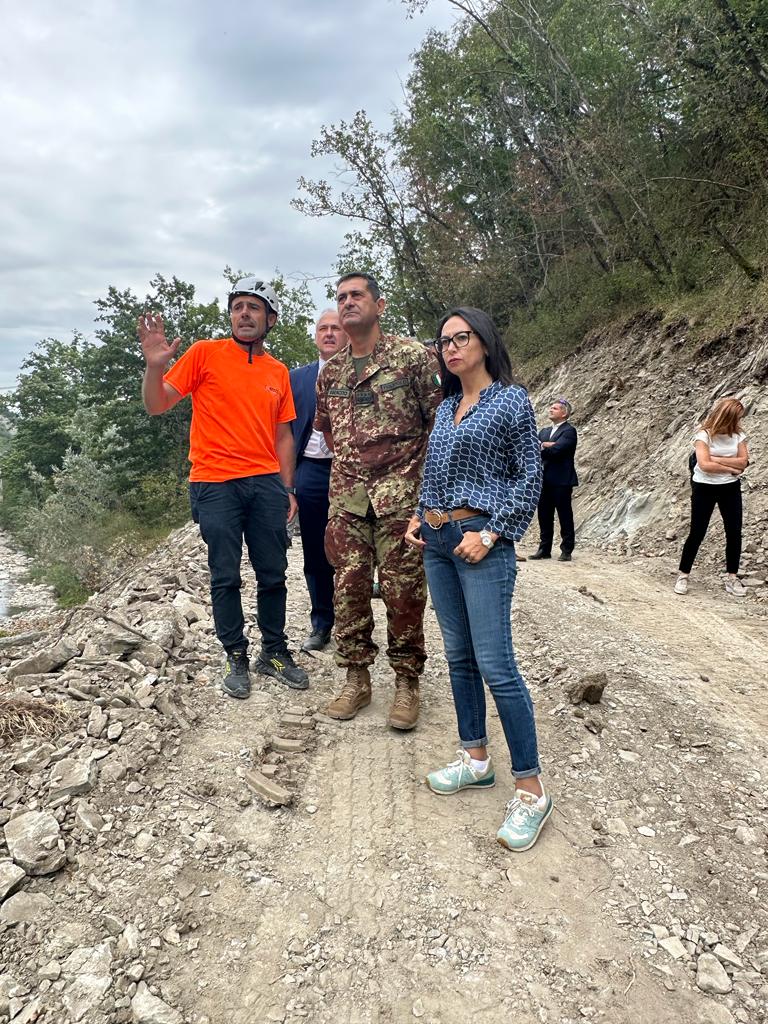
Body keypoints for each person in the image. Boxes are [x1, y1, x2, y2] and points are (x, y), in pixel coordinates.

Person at [404, 307, 552, 853]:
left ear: (484, 342)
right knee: (460, 657)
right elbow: (435, 473)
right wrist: (419, 515)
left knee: (497, 665)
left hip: (480, 542)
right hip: (438, 542)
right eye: (443, 341)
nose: (450, 347)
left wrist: (490, 533)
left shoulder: (511, 401)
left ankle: (532, 791)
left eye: (460, 337)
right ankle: (475, 759)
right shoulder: (447, 407)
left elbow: (528, 478)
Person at [137, 277, 309, 699]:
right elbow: (157, 404)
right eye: (237, 307)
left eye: (254, 307)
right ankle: (235, 655)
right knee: (225, 575)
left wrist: (287, 488)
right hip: (214, 482)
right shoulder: (204, 353)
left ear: (271, 319)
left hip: (266, 483)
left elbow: (283, 435)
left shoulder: (277, 371)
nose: (244, 313)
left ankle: (274, 652)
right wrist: (155, 366)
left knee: (273, 573)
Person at [315, 272, 442, 730]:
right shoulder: (331, 372)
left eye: (357, 295)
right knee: (348, 589)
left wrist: (429, 493)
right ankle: (356, 678)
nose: (348, 302)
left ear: (379, 305)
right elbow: (329, 432)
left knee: (403, 591)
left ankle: (407, 681)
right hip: (348, 500)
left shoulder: (412, 358)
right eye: (341, 297)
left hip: (402, 498)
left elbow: (439, 424)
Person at [290, 310, 349, 652]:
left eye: (335, 328)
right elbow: (283, 431)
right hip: (311, 470)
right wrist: (287, 484)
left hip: (351, 470)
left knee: (355, 547)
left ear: (347, 334)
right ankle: (322, 622)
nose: (329, 333)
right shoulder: (297, 378)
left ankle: (354, 621)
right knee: (315, 549)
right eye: (322, 328)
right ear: (315, 336)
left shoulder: (363, 372)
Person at [675, 397, 749, 597]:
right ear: (726, 417)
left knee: (734, 532)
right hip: (704, 487)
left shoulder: (738, 435)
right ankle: (683, 575)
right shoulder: (704, 435)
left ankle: (732, 578)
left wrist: (716, 459)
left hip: (730, 488)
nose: (739, 421)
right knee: (697, 532)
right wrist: (731, 466)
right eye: (736, 417)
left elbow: (744, 462)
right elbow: (704, 465)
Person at [529, 398, 578, 561]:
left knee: (564, 515)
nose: (551, 410)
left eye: (555, 408)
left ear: (564, 413)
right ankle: (544, 549)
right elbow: (532, 449)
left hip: (561, 480)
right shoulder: (544, 431)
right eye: (551, 407)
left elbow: (558, 450)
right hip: (544, 480)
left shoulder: (569, 431)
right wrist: (547, 444)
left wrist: (542, 446)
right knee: (544, 515)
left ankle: (567, 550)